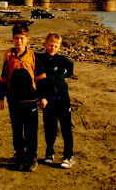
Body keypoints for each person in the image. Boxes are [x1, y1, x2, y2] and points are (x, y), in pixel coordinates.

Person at [0, 24, 48, 172]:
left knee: (31, 131)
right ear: (13, 39)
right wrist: (1, 98)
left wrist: (43, 97)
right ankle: (19, 156)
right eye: (16, 38)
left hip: (30, 100)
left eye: (21, 38)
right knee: (17, 130)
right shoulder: (9, 57)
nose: (19, 41)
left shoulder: (33, 56)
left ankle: (32, 157)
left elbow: (41, 78)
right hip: (14, 100)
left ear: (27, 39)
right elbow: (4, 78)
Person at [36, 32, 75, 169]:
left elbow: (69, 71)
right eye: (51, 45)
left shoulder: (64, 61)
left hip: (62, 99)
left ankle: (69, 155)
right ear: (45, 45)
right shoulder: (39, 60)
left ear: (59, 47)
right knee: (50, 128)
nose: (53, 48)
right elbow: (37, 81)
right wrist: (41, 97)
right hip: (48, 100)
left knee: (66, 128)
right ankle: (49, 152)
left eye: (56, 46)